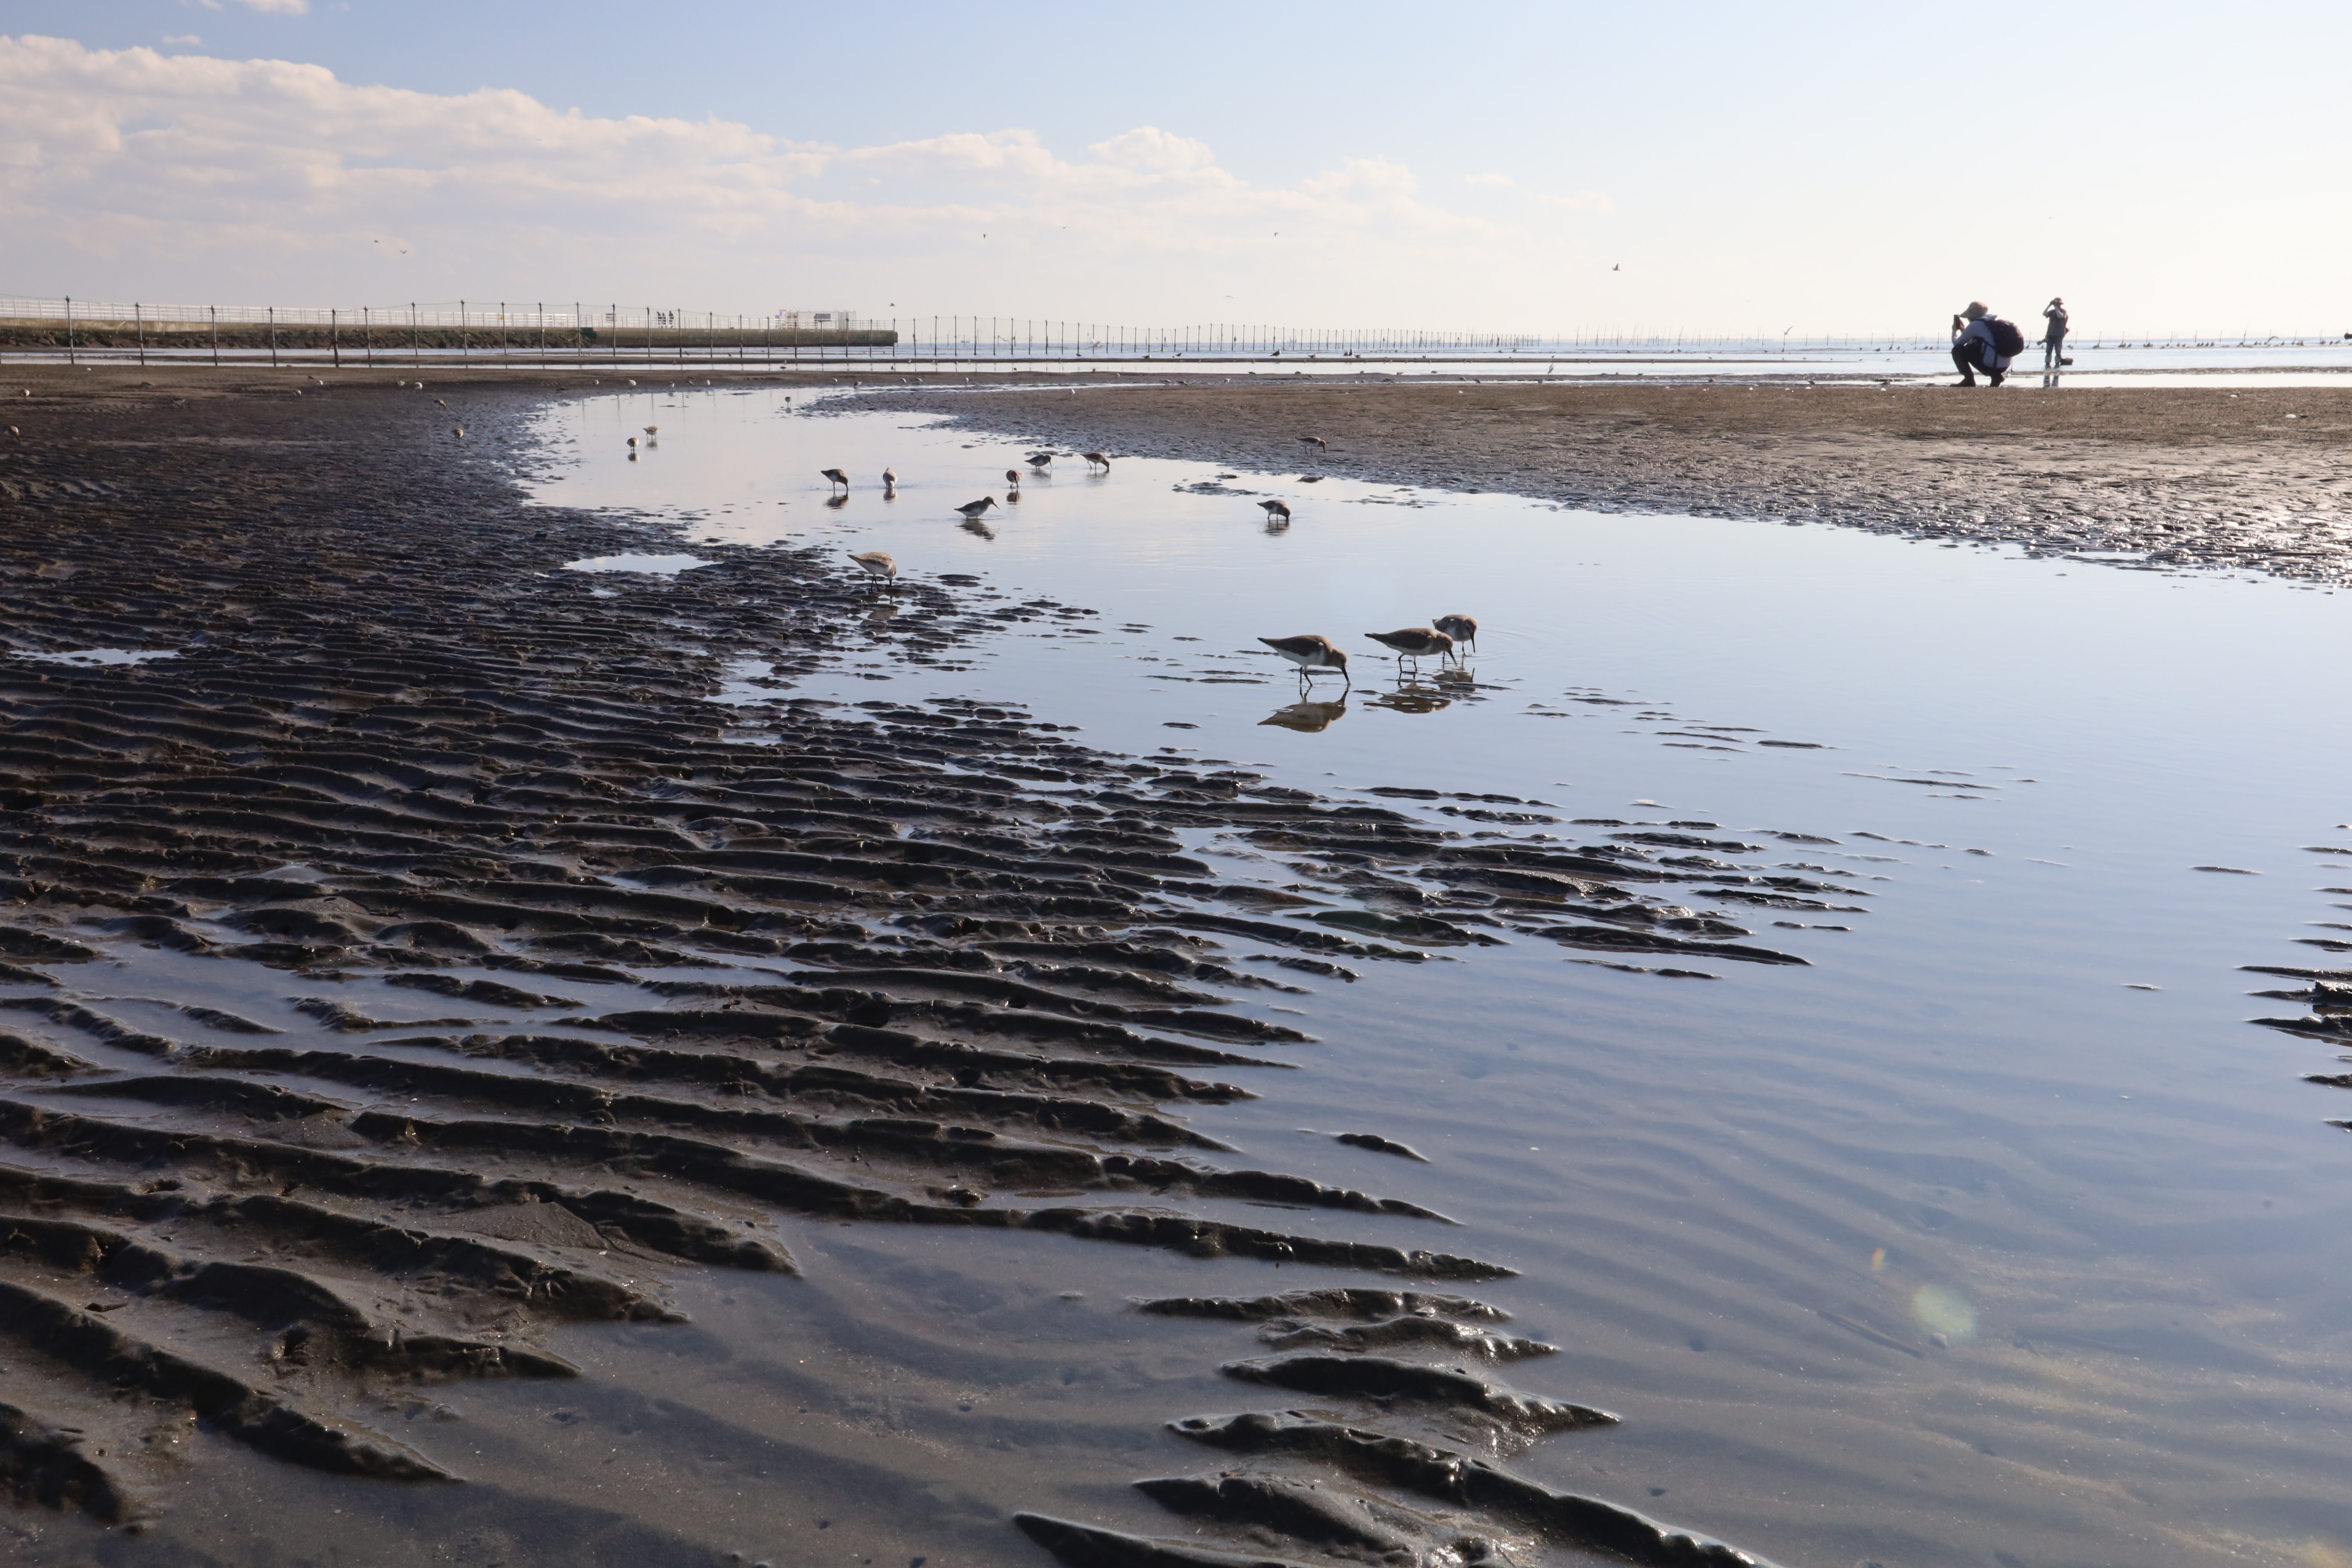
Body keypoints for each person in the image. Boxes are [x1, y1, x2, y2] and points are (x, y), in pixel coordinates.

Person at [1949, 301, 2011, 387]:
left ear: (1972, 317)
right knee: (1976, 349)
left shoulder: (1976, 325)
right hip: (2004, 366)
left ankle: (1969, 380)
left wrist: (1954, 331)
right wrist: (1964, 330)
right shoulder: (1993, 323)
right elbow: (1976, 342)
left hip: (1990, 366)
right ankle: (1996, 377)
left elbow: (1957, 344)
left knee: (1957, 350)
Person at [2041, 298, 2070, 369]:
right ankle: (2047, 365)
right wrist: (2050, 305)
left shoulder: (2063, 311)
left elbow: (2060, 316)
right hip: (2050, 334)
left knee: (2058, 351)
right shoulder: (2052, 312)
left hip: (2059, 334)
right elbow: (2044, 314)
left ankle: (2057, 365)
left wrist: (2056, 307)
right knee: (2048, 351)